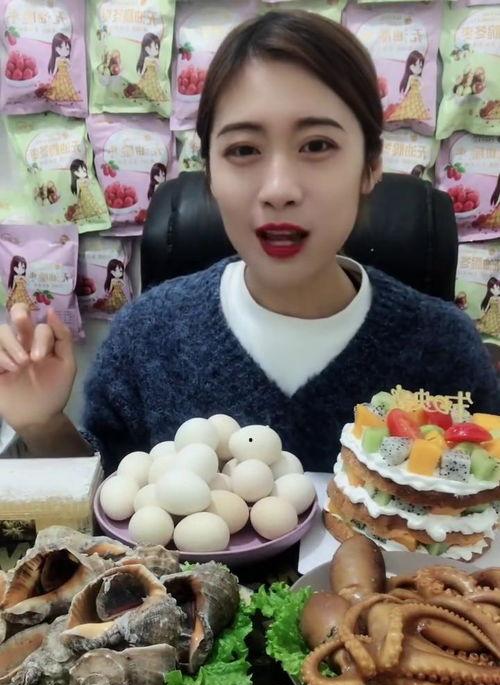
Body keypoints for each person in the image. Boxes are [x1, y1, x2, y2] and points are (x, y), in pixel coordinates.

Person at [0, 11, 498, 474]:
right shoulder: (147, 338)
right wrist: (42, 424)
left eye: (317, 145)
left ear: (370, 167)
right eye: (243, 150)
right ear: (209, 172)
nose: (279, 189)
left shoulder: (444, 351)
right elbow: (101, 507)